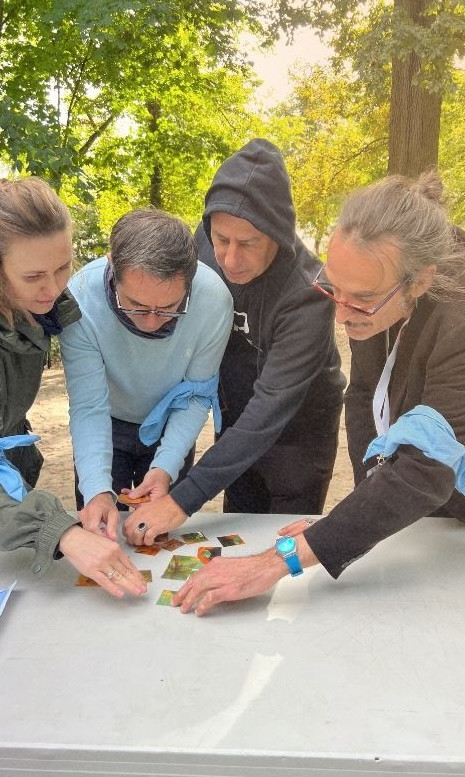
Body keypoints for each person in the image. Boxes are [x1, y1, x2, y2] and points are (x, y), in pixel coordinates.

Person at [172, 170, 465, 615]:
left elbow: (423, 470)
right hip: (429, 474)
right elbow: (368, 391)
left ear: (420, 282)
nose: (340, 314)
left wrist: (281, 560)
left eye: (359, 300)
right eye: (333, 288)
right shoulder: (367, 278)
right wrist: (359, 508)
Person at [0, 177, 146, 599]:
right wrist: (63, 533)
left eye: (63, 267)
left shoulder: (27, 299)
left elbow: (88, 400)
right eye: (35, 275)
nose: (53, 288)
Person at [123, 138, 345, 543]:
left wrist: (180, 501)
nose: (229, 259)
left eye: (248, 244)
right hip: (234, 419)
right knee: (238, 533)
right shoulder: (202, 244)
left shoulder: (308, 294)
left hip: (299, 433)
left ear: (278, 234)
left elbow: (270, 410)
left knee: (280, 545)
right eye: (222, 240)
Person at [58, 208, 233, 538]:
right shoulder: (79, 298)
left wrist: (166, 467)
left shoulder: (214, 300)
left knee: (162, 535)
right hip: (107, 421)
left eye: (169, 308)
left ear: (191, 278)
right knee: (100, 527)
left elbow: (195, 396)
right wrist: (96, 490)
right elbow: (88, 406)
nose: (152, 322)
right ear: (113, 266)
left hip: (172, 422)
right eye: (136, 305)